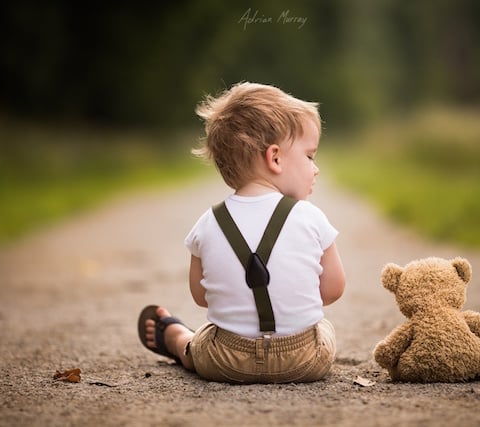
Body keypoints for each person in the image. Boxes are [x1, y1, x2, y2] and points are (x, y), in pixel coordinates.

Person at [138, 82, 346, 383]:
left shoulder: (208, 223)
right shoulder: (311, 217)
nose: (315, 169)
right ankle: (186, 340)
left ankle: (179, 340)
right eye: (310, 156)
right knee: (323, 327)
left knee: (205, 337)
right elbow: (333, 290)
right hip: (304, 359)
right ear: (275, 158)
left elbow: (201, 296)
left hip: (225, 360)